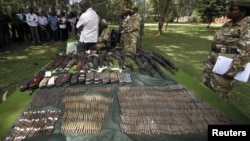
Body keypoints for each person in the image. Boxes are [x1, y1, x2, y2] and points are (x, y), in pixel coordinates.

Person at [202, 0, 250, 100]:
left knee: (217, 98)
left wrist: (231, 72)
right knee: (204, 92)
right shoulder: (228, 24)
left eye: (232, 9)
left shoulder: (247, 27)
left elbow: (244, 53)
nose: (228, 11)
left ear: (243, 11)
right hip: (212, 64)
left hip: (226, 69)